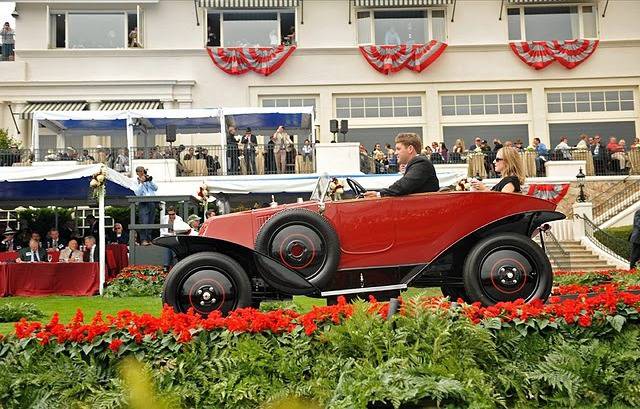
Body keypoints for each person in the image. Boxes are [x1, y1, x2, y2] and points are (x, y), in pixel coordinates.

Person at [364, 133, 439, 197]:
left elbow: (403, 186)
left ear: (410, 149)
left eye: (398, 149)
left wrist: (378, 194)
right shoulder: (417, 163)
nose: (395, 153)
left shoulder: (421, 163)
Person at [134, 166, 158, 245]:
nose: (142, 173)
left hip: (152, 201)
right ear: (137, 173)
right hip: (143, 202)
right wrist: (141, 183)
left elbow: (155, 188)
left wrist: (149, 181)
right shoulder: (135, 181)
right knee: (144, 222)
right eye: (141, 172)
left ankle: (149, 239)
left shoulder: (148, 179)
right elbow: (137, 193)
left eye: (143, 171)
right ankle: (143, 239)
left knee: (151, 222)